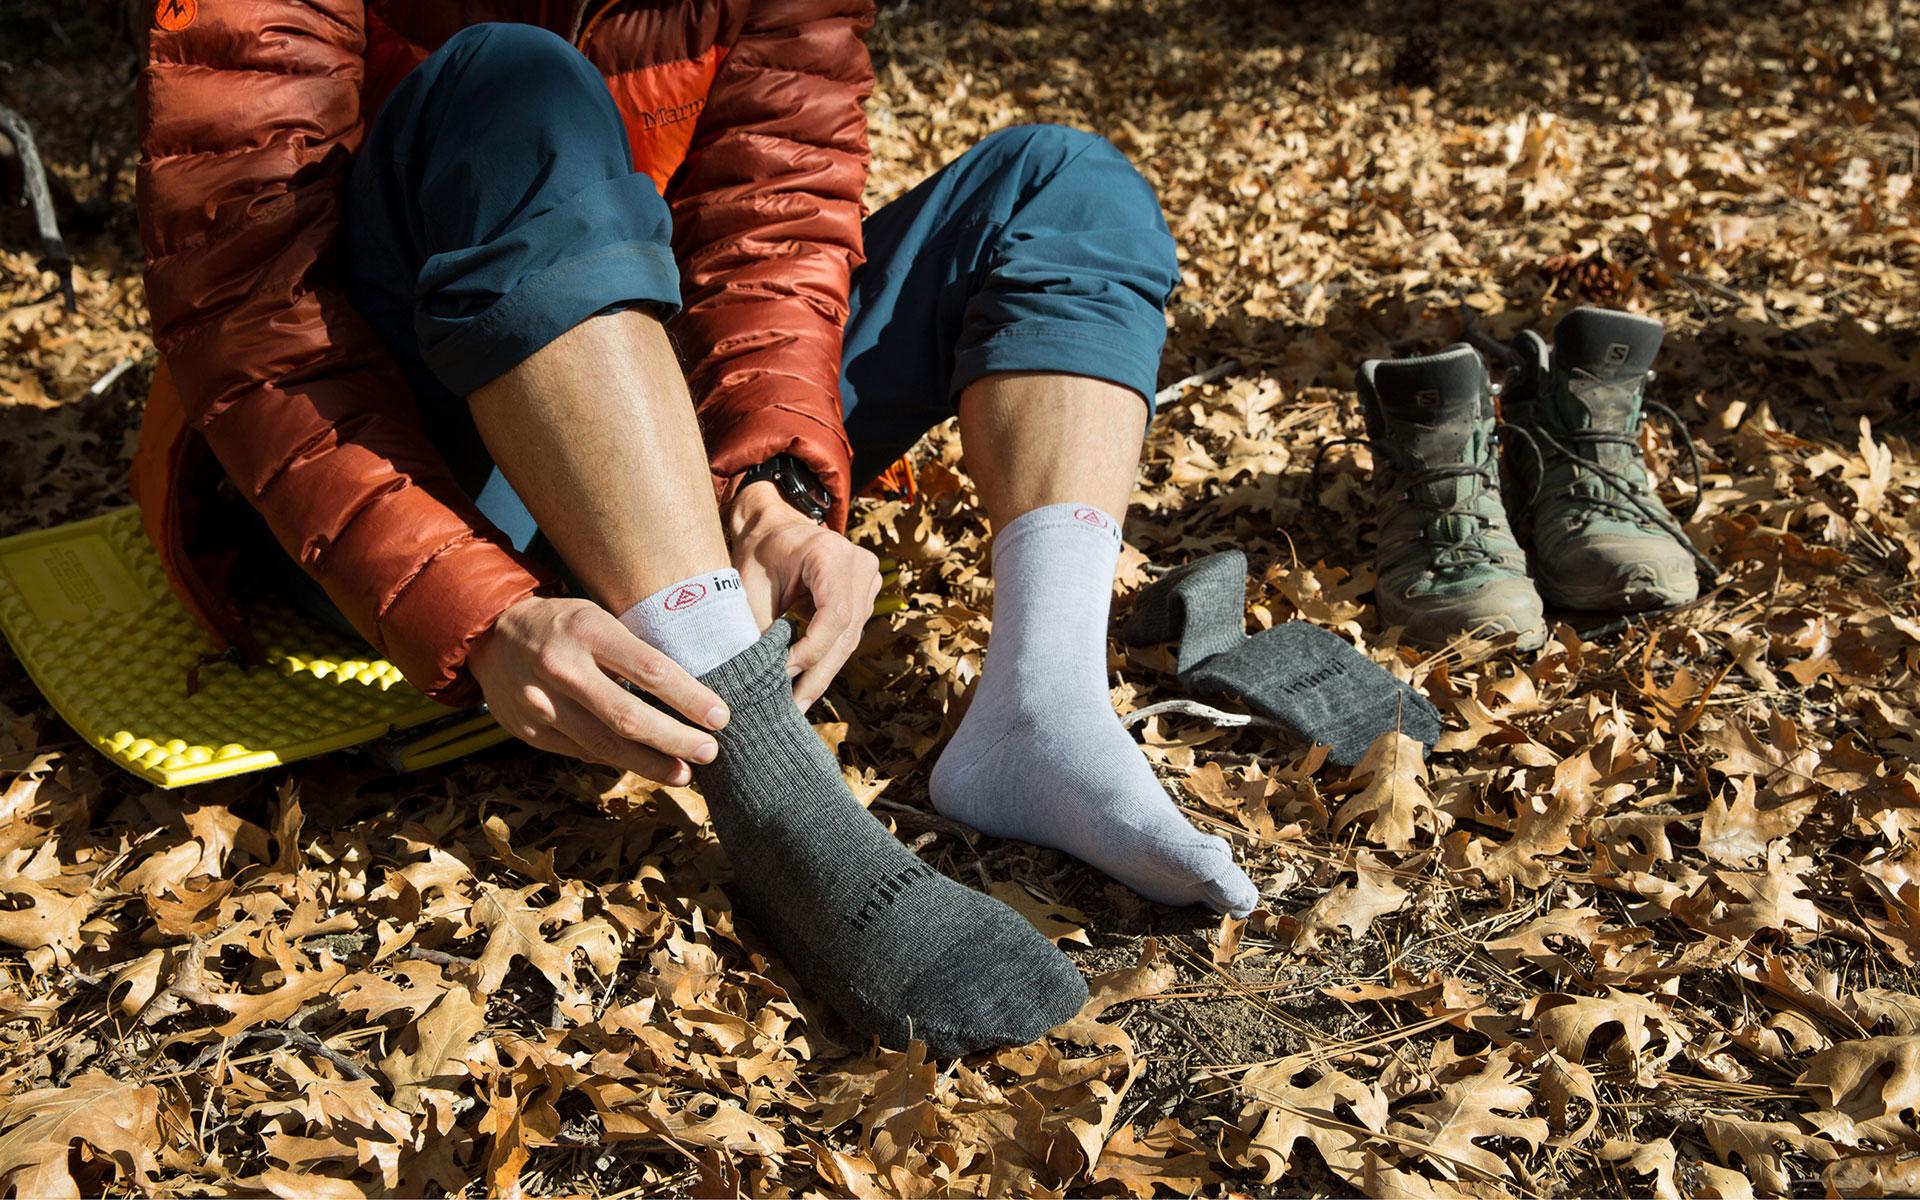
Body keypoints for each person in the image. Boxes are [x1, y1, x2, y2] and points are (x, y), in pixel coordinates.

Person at [134, 0, 1256, 1055]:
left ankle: (1040, 711)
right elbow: (250, 305)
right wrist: (474, 607)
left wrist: (769, 482)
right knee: (510, 82)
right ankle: (769, 783)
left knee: (1060, 186)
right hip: (379, 461)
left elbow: (768, 227)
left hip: (632, 412)